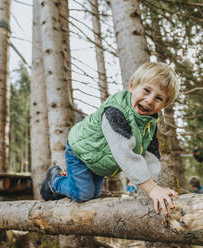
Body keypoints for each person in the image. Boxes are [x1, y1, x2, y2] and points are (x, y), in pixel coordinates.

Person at [40, 62, 180, 214]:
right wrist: (151, 188)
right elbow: (124, 153)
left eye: (159, 98)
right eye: (146, 90)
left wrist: (154, 186)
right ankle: (54, 180)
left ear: (164, 105)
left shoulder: (149, 124)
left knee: (94, 195)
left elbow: (151, 156)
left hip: (100, 161)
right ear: (132, 85)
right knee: (83, 195)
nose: (150, 100)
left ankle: (68, 183)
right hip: (82, 150)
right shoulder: (115, 112)